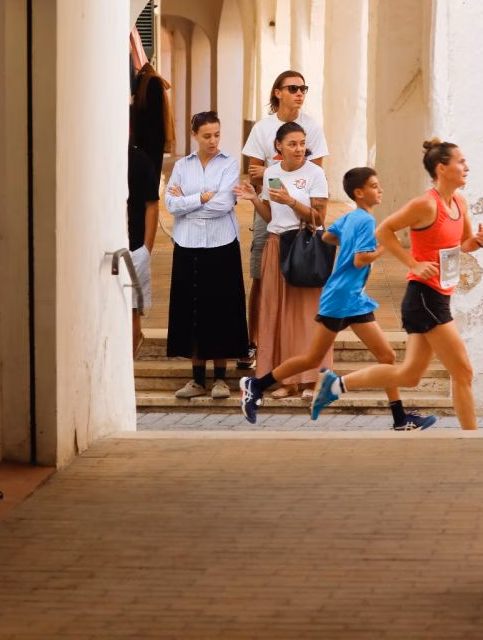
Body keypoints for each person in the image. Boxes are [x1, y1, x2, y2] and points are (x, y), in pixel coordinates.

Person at [238, 167, 437, 431]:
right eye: (374, 186)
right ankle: (258, 385)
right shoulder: (366, 221)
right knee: (325, 357)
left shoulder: (351, 216)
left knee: (379, 356)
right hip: (344, 298)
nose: (380, 190)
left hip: (349, 297)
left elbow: (329, 236)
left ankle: (400, 418)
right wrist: (384, 247)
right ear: (359, 193)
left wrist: (352, 246)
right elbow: (360, 259)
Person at [311, 139, 483, 429]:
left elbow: (463, 244)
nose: (466, 167)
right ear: (441, 168)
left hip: (439, 295)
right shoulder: (425, 204)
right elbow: (384, 230)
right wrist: (413, 264)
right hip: (425, 297)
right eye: (461, 162)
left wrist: (478, 241)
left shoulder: (460, 203)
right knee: (463, 372)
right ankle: (472, 441)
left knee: (409, 375)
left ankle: (334, 385)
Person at [238, 70, 328, 377]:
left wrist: (278, 175)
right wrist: (272, 179)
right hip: (272, 210)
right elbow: (254, 171)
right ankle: (254, 343)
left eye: (304, 88)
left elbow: (312, 172)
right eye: (293, 88)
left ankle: (301, 356)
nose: (300, 93)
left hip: (301, 221)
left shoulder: (312, 127)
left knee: (301, 287)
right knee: (262, 277)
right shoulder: (263, 128)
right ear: (278, 92)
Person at [165, 111, 249, 399]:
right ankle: (197, 379)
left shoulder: (229, 164)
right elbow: (170, 205)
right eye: (207, 136)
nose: (213, 141)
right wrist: (201, 197)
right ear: (194, 135)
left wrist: (187, 202)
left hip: (221, 243)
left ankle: (221, 379)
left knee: (221, 309)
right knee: (192, 310)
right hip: (187, 243)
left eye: (217, 135)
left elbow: (223, 205)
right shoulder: (181, 166)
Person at [127, 141, 160, 358]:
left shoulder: (140, 160)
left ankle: (131, 353)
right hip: (108, 245)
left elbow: (152, 205)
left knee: (132, 307)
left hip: (136, 244)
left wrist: (147, 247)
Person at [131, 61, 175, 181]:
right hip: (156, 136)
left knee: (142, 171)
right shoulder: (156, 81)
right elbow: (160, 113)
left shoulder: (140, 82)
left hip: (141, 136)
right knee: (154, 171)